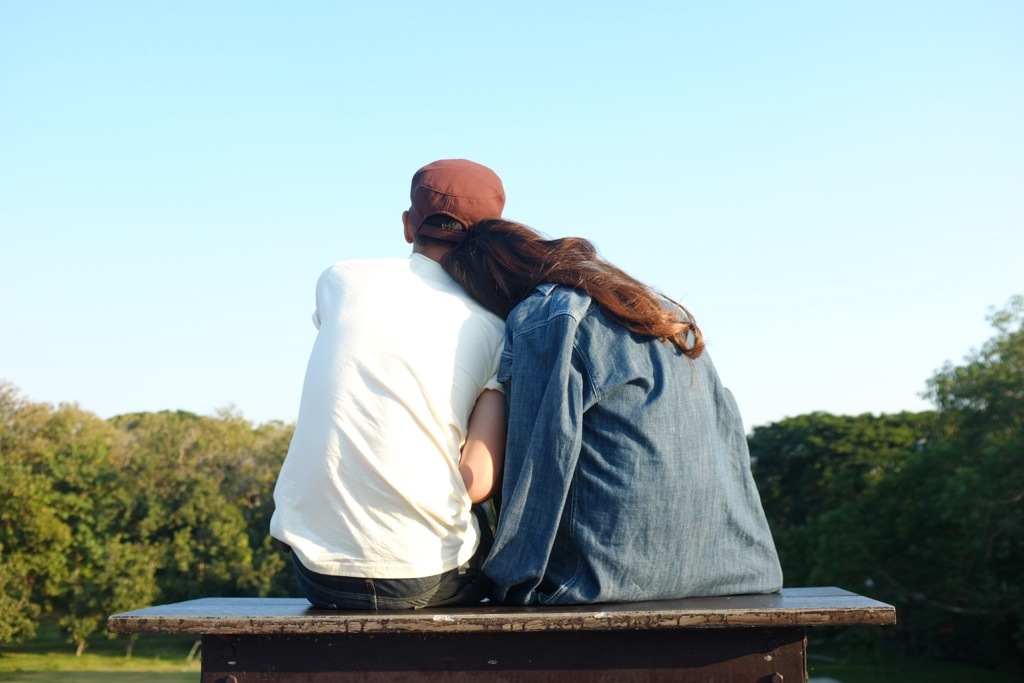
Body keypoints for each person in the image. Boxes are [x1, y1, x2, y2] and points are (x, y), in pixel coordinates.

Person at [442, 219, 784, 605]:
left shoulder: (544, 319)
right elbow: (727, 432)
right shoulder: (657, 311)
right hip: (736, 567)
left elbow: (538, 467)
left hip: (602, 577)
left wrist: (509, 582)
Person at [269, 160, 508, 609]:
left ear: (407, 225)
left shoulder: (341, 279)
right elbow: (477, 483)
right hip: (423, 576)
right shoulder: (496, 326)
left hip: (318, 574)